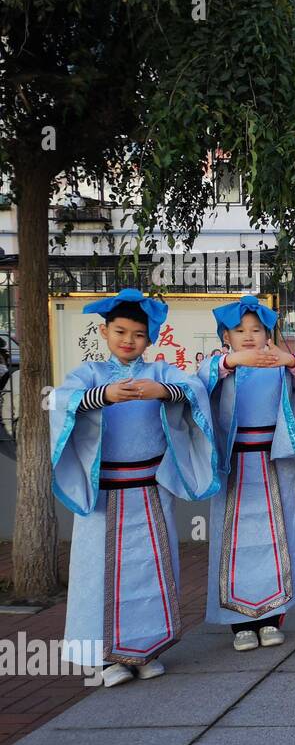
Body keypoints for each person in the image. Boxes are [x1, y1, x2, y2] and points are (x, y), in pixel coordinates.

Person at [49, 288, 218, 686]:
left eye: (138, 334)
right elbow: (61, 400)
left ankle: (146, 650)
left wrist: (164, 391)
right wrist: (101, 396)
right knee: (99, 572)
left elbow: (195, 390)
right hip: (105, 491)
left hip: (149, 488)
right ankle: (106, 656)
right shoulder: (90, 375)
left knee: (151, 569)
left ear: (150, 339)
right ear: (105, 332)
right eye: (120, 331)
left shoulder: (159, 373)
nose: (129, 340)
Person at [199, 295, 295, 651]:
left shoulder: (280, 365)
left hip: (273, 461)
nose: (249, 336)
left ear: (269, 334)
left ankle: (272, 618)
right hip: (234, 464)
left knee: (276, 538)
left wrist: (293, 360)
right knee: (233, 542)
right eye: (239, 331)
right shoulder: (218, 367)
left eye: (256, 329)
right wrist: (229, 362)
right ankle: (239, 622)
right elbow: (197, 387)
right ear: (226, 337)